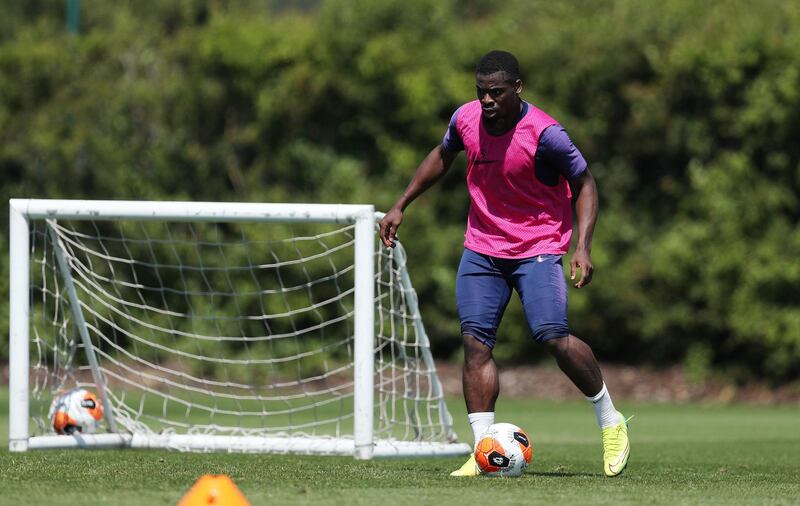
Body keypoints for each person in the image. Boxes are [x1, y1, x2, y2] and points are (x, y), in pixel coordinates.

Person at [379, 50, 630, 477]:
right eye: (480, 92)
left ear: (517, 87)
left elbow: (585, 183)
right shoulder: (465, 119)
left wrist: (582, 247)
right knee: (476, 345)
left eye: (495, 92)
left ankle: (611, 421)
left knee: (552, 337)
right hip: (482, 247)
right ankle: (482, 451)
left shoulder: (546, 134)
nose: (487, 100)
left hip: (538, 246)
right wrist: (401, 203)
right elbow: (442, 155)